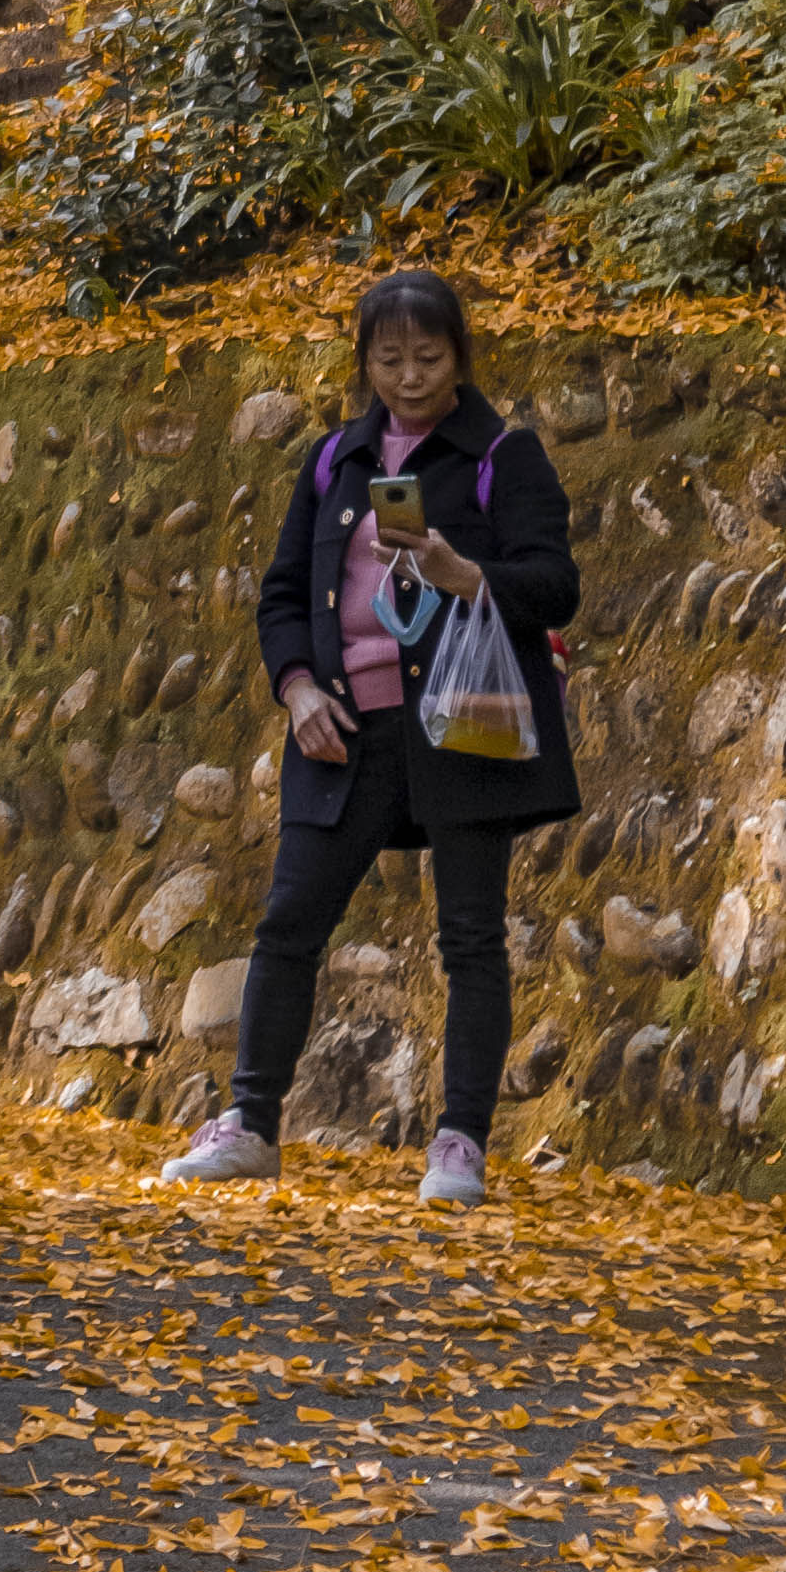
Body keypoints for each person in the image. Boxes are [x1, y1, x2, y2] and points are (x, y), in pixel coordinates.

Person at [161, 266, 581, 1214]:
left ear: (460, 356)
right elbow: (281, 596)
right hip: (342, 732)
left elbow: (556, 584)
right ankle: (251, 1125)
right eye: (388, 358)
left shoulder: (501, 455)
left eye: (428, 356)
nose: (409, 376)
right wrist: (297, 685)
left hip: (462, 731)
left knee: (471, 937)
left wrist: (464, 571)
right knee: (288, 925)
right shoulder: (335, 460)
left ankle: (460, 1143)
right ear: (363, 363)